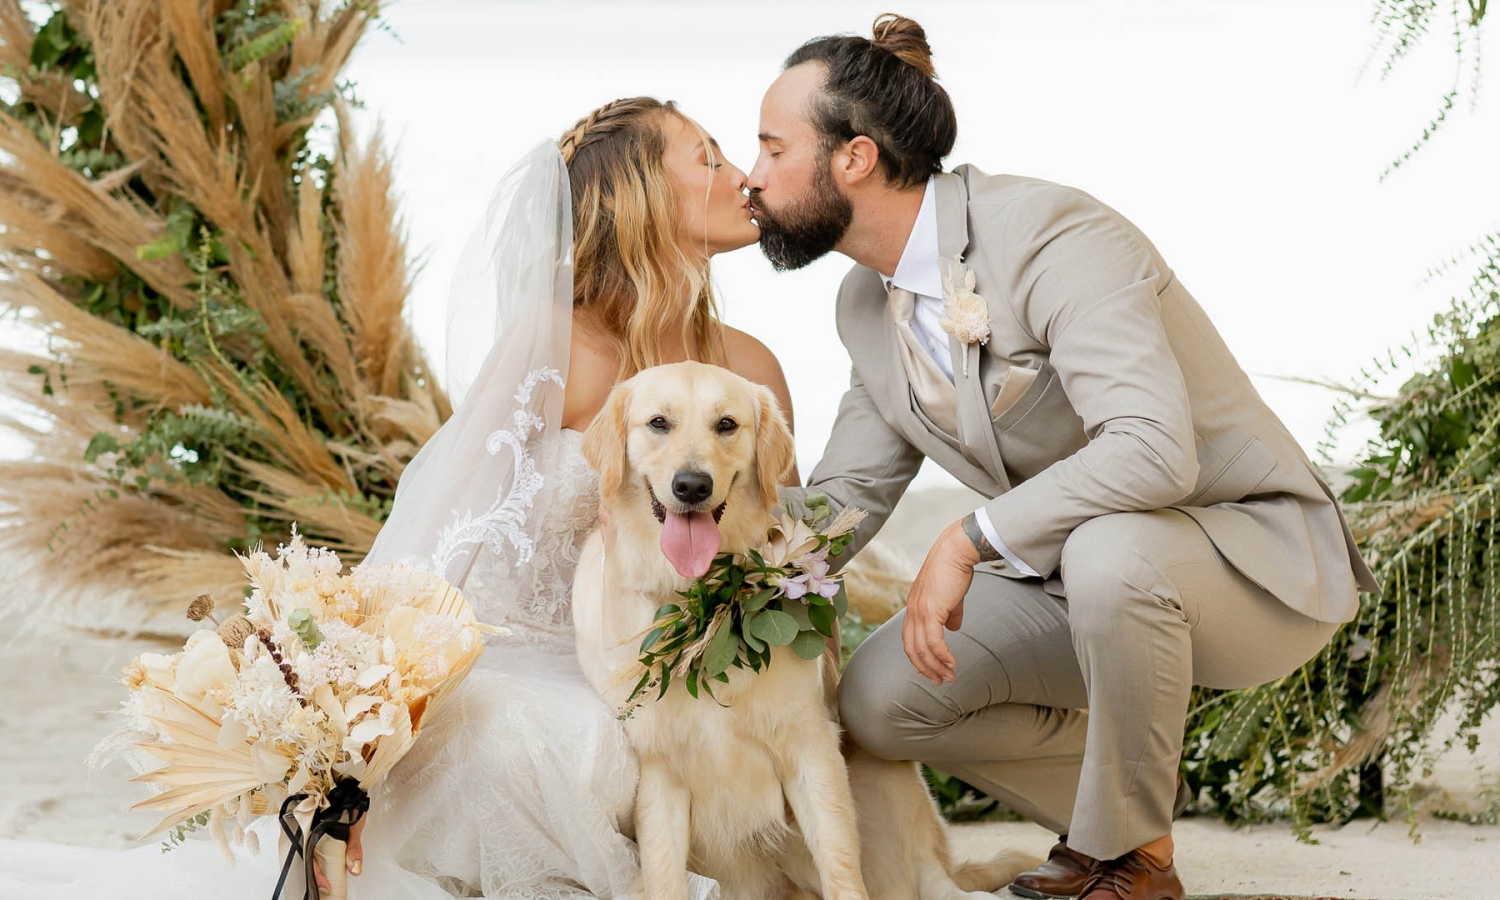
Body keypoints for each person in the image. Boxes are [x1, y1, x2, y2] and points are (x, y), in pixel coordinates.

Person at [0, 97, 792, 900]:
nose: (738, 178)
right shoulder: (562, 345)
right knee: (522, 739)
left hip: (679, 673)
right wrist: (351, 704)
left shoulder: (749, 370)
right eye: (707, 157)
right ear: (640, 196)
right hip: (528, 661)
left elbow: (791, 557)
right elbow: (447, 532)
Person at [758, 15, 1379, 900]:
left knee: (1109, 550)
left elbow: (1153, 449)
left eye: (770, 149)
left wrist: (967, 538)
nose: (751, 178)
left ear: (852, 158)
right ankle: (1124, 805)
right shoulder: (864, 305)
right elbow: (850, 492)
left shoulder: (1051, 234)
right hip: (1074, 582)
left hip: (1251, 561)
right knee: (881, 698)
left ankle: (1128, 865)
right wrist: (723, 577)